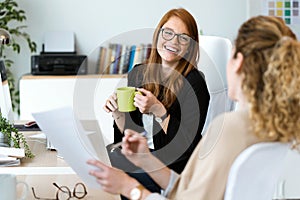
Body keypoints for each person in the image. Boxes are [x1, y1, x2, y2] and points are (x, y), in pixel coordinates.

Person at [89, 15, 300, 199]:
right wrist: (145, 159)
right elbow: (188, 188)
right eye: (167, 33)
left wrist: (129, 188)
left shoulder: (230, 128)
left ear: (239, 63)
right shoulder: (281, 128)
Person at [103, 8, 210, 195]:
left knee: (126, 173)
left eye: (183, 38)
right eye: (168, 33)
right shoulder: (139, 73)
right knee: (103, 160)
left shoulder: (195, 83)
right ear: (158, 34)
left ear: (190, 46)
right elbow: (131, 133)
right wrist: (117, 113)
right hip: (141, 156)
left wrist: (159, 110)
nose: (173, 42)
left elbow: (188, 145)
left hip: (172, 166)